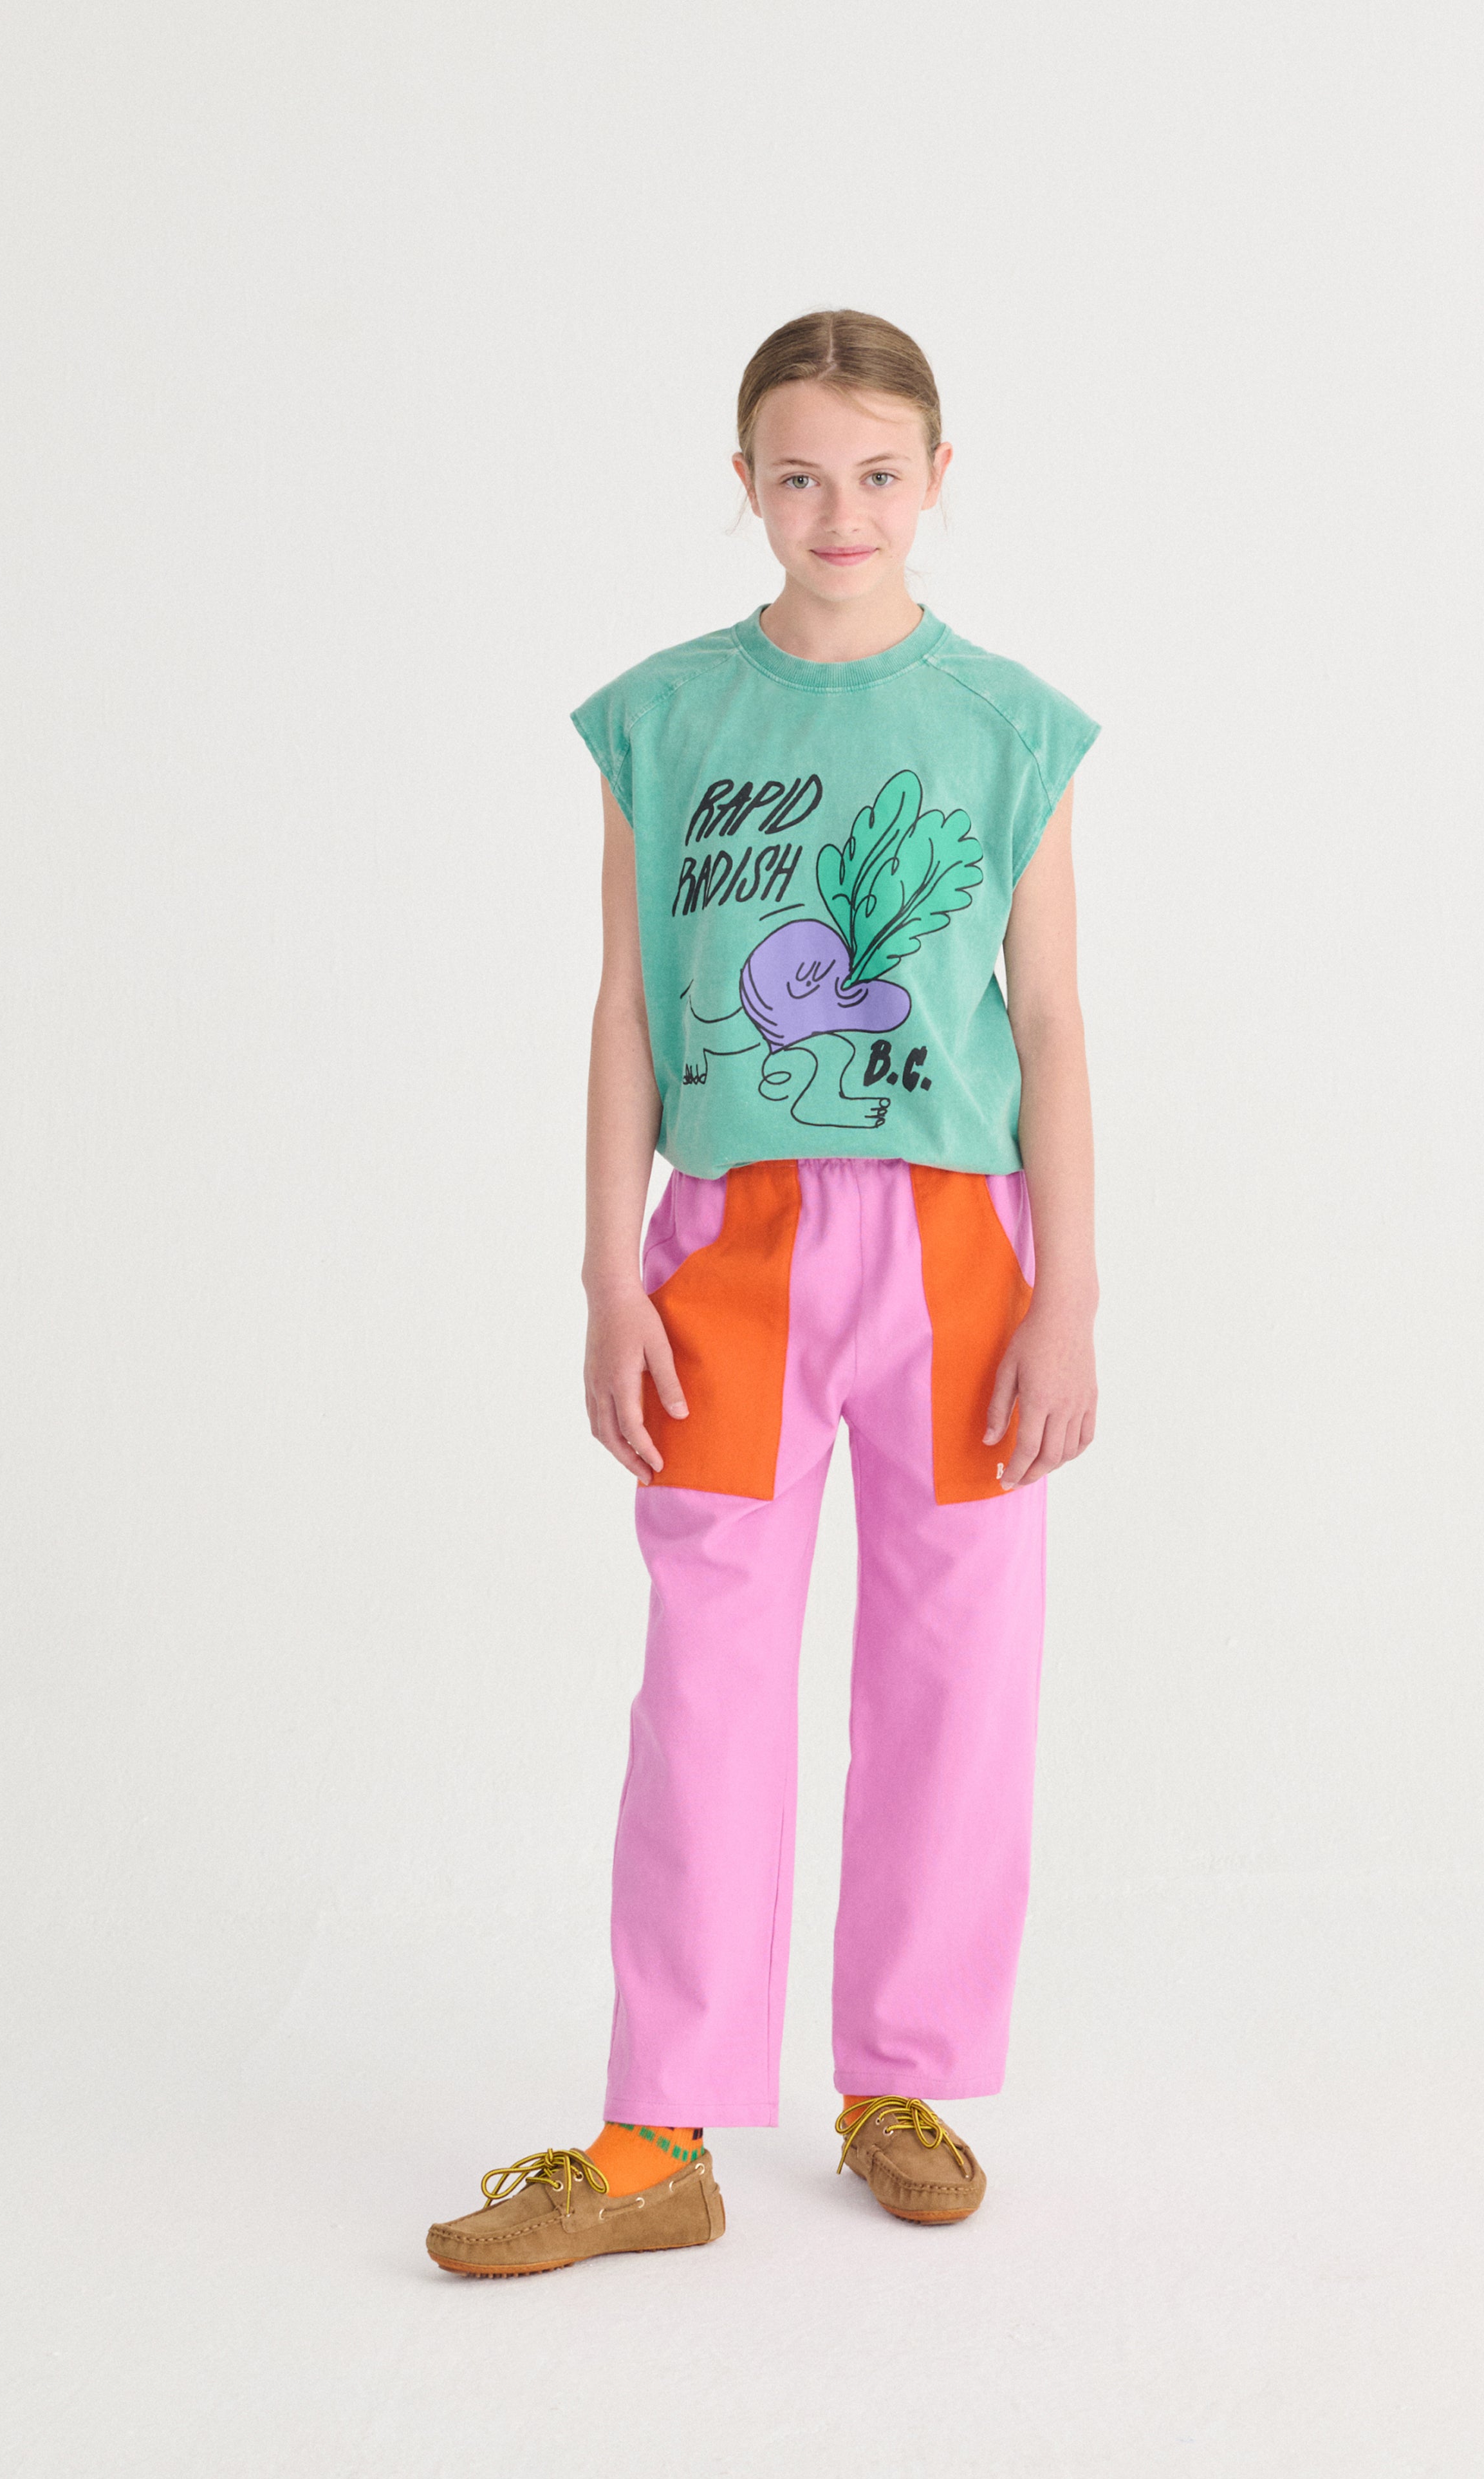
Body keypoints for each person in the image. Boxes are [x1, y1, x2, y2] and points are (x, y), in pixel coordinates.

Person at [428, 308, 1100, 2279]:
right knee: (711, 1679)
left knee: (957, 1672)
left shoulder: (1011, 729)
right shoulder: (663, 720)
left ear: (939, 479)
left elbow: (1054, 1022)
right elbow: (628, 1009)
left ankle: (901, 2078)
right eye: (799, 474)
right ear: (746, 483)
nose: (840, 509)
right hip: (728, 1254)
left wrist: (1071, 1296)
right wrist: (604, 1272)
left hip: (962, 1251)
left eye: (878, 473)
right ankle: (662, 2130)